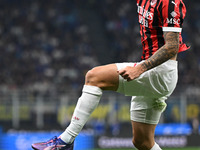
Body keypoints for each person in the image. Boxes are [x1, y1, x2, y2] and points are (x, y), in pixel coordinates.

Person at [32, 0, 189, 149]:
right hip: (151, 70)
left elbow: (172, 46)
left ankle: (65, 141)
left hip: (160, 72)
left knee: (94, 77)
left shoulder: (168, 2)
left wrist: (140, 69)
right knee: (142, 142)